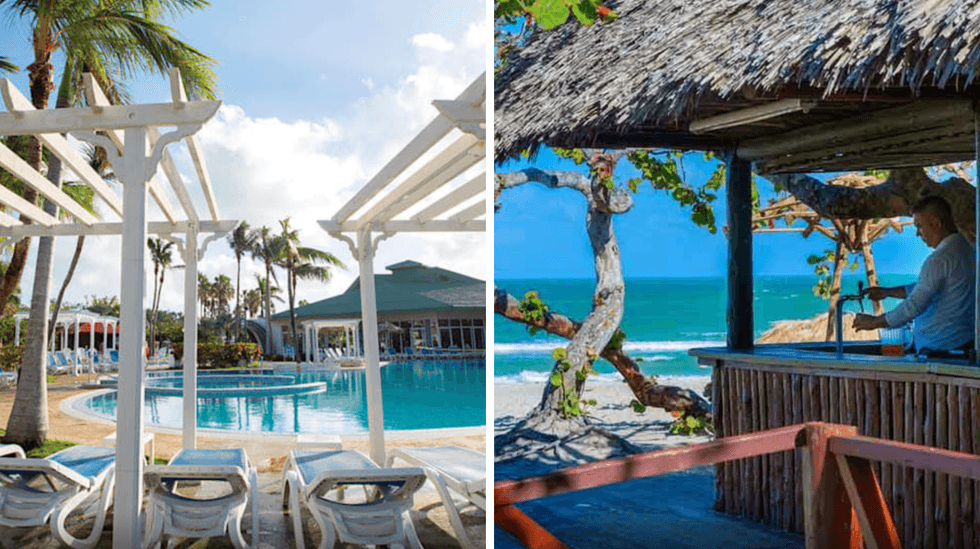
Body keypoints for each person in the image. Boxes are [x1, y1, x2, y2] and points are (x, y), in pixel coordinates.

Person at [853, 195, 975, 353]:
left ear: (936, 224)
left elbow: (914, 306)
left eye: (919, 226)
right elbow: (928, 287)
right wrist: (887, 292)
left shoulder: (940, 259)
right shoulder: (967, 249)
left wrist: (874, 322)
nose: (918, 233)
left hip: (941, 351)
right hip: (962, 346)